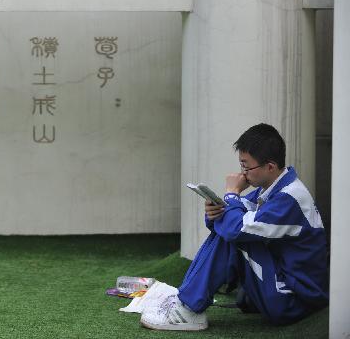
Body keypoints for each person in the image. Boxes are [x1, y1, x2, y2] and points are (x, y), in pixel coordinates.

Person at [140, 123, 329, 331]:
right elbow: (233, 219)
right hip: (284, 287)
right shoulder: (272, 188)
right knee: (232, 229)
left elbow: (236, 228)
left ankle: (188, 309)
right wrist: (214, 214)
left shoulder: (290, 198)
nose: (243, 173)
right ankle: (185, 302)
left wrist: (231, 195)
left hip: (294, 300)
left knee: (235, 235)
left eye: (247, 166)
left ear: (270, 167)